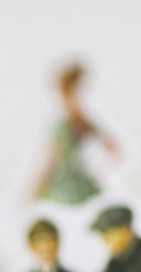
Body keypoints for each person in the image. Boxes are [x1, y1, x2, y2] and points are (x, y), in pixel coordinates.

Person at [34, 62, 119, 205]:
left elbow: (112, 148)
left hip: (77, 188)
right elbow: (51, 161)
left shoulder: (81, 122)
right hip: (67, 186)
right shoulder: (64, 124)